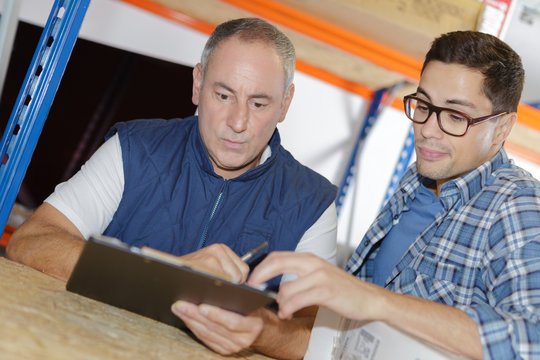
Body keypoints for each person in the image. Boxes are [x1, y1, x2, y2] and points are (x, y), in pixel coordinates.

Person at [6, 18, 337, 358]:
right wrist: (173, 277)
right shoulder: (134, 149)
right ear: (197, 84)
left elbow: (316, 339)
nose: (238, 123)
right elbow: (32, 242)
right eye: (223, 95)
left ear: (285, 104)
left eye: (258, 104)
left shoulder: (312, 203)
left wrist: (260, 330)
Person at [247, 30, 540, 360]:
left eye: (456, 116)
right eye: (424, 105)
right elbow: (347, 336)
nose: (428, 130)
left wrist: (374, 300)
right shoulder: (418, 178)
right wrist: (261, 330)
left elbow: (531, 341)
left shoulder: (519, 207)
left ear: (502, 127)